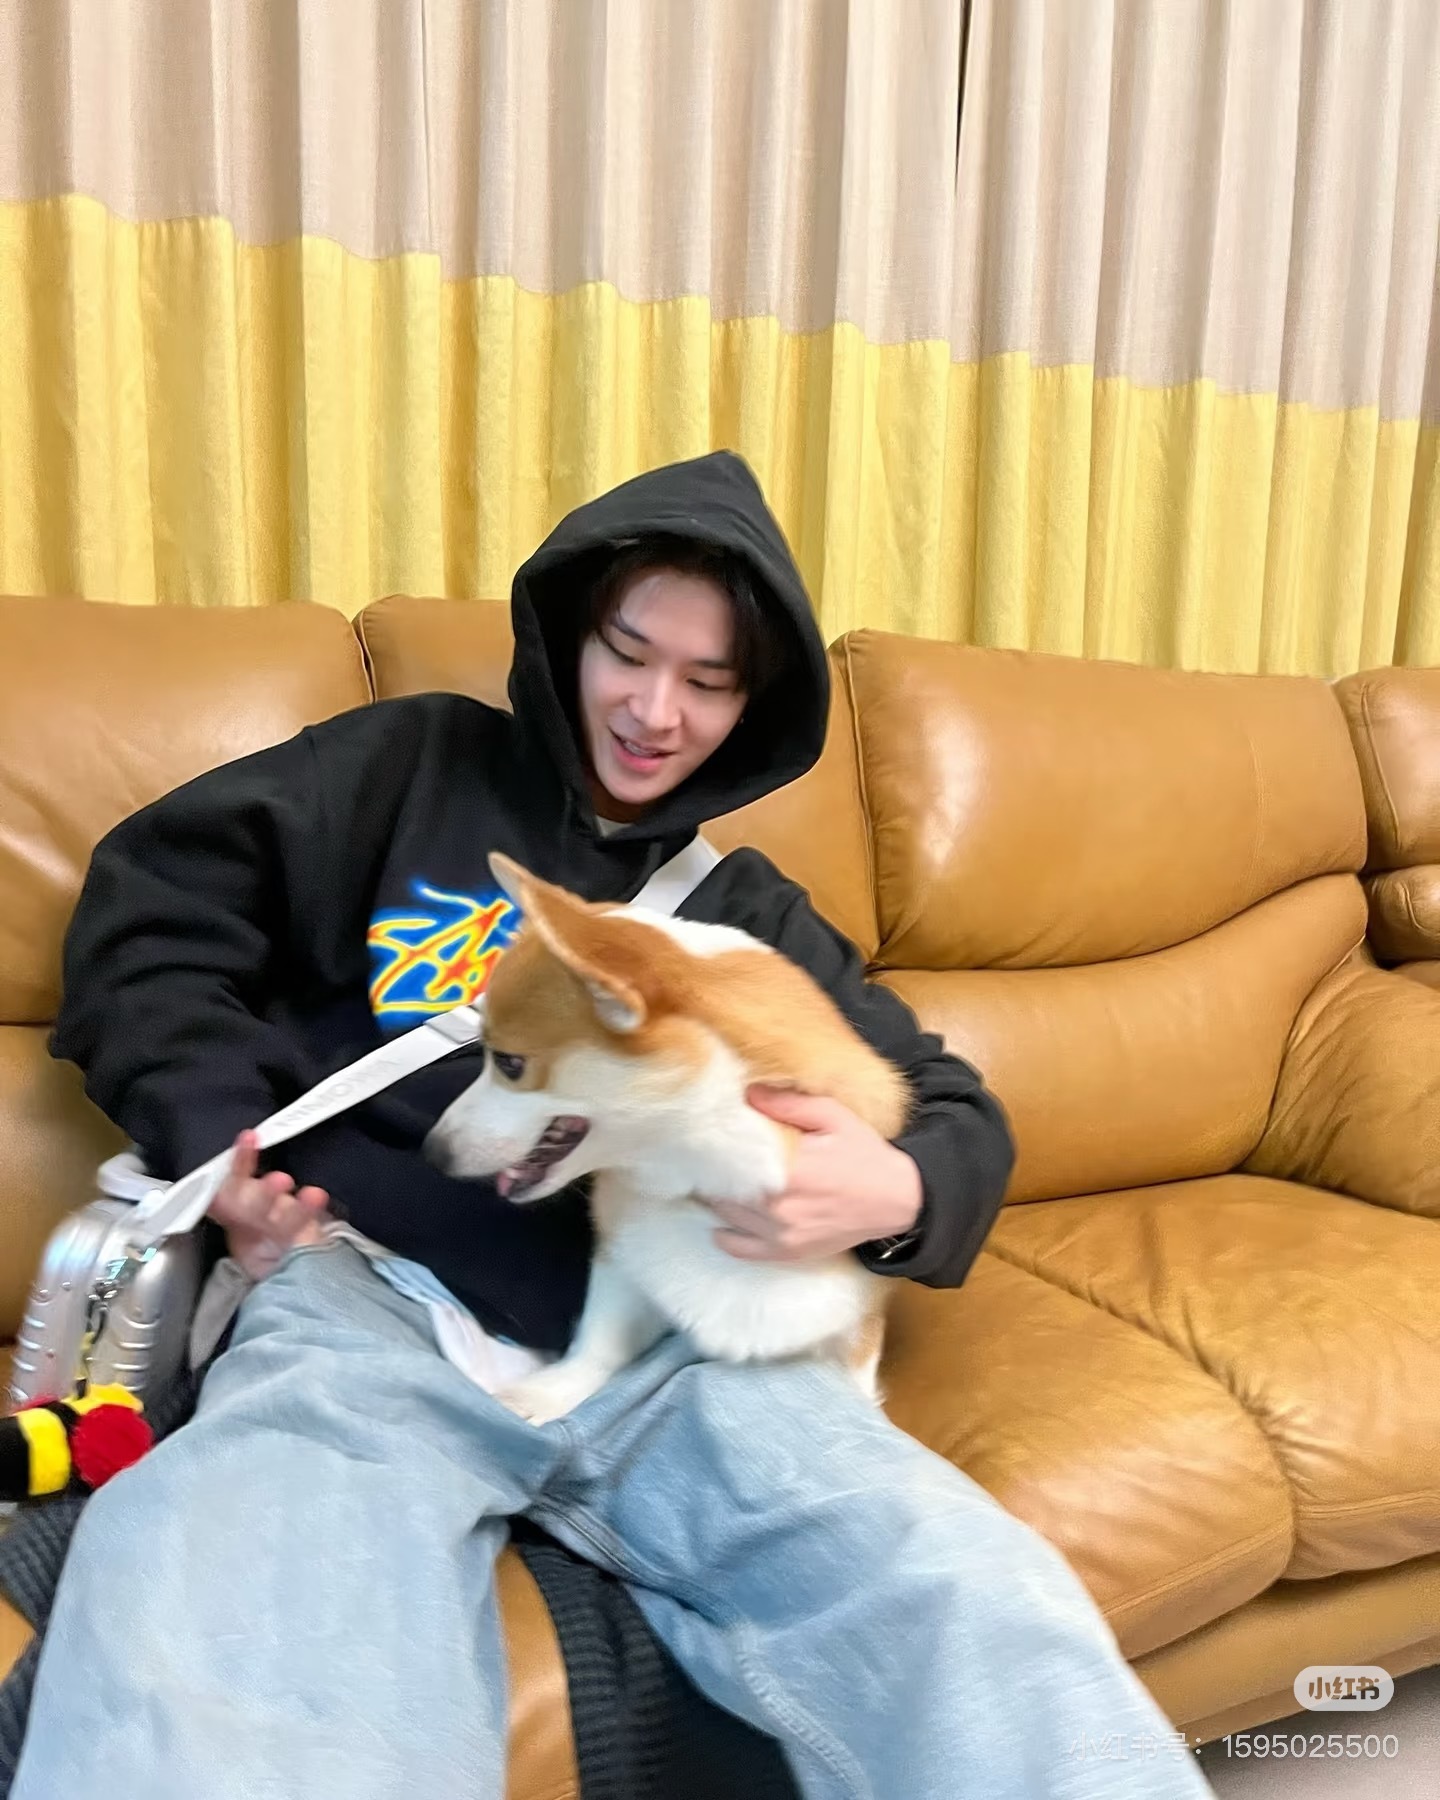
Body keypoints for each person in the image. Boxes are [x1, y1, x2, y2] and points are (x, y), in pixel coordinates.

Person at [11, 453, 1211, 1800]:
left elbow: (950, 1105)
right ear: (569, 636)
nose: (655, 712)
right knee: (237, 1652)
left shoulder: (747, 918)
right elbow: (152, 922)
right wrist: (230, 1144)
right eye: (629, 655)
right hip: (366, 1293)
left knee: (970, 1608)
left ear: (752, 708)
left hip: (674, 1344)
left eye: (709, 683)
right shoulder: (409, 763)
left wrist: (895, 1190)